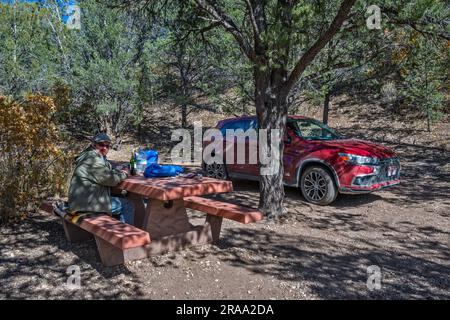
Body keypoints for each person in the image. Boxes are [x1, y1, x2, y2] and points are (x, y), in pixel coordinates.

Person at [68, 133, 134, 224]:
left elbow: (105, 172)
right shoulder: (92, 159)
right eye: (101, 145)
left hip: (81, 201)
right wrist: (124, 173)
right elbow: (111, 180)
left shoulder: (90, 155)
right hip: (86, 205)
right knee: (127, 205)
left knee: (122, 196)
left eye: (107, 146)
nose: (104, 148)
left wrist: (117, 170)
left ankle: (114, 230)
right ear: (93, 144)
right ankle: (126, 235)